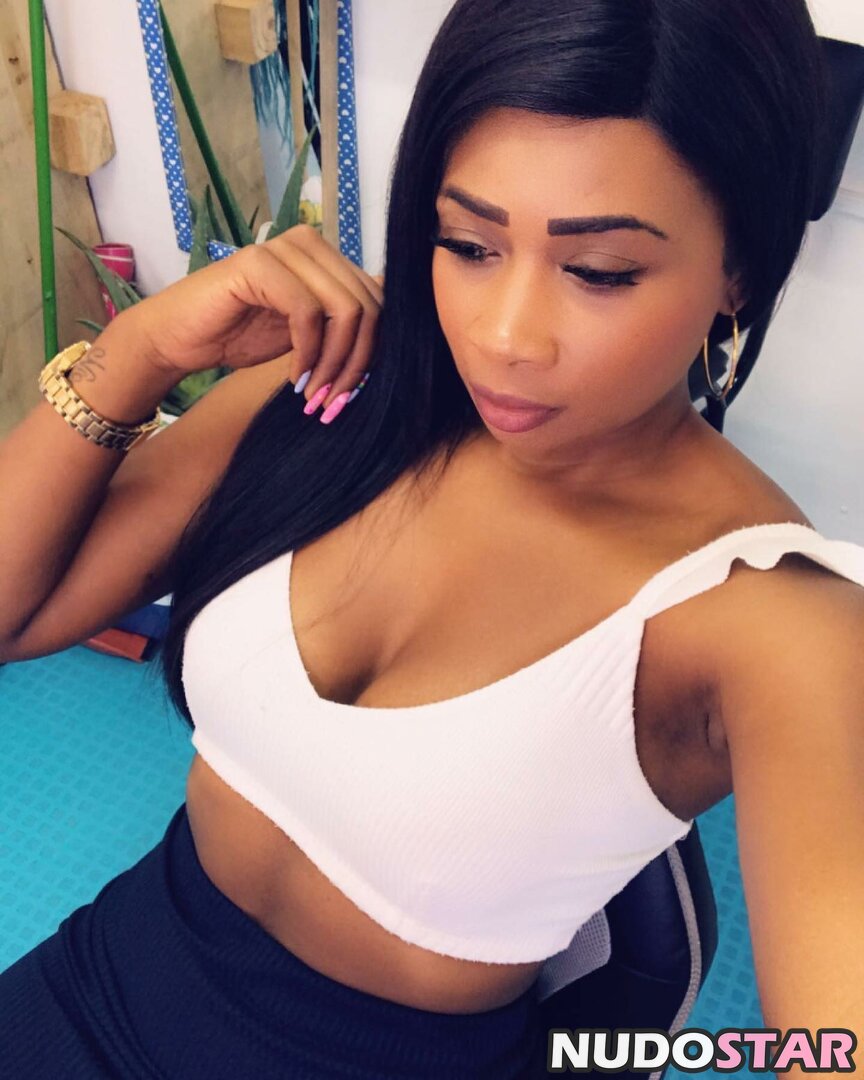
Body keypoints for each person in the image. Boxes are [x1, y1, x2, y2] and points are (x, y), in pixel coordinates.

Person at [1, 0, 863, 1076]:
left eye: (600, 271)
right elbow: (13, 615)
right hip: (107, 973)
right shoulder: (339, 391)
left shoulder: (778, 621)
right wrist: (139, 351)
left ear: (738, 268)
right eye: (469, 243)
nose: (504, 337)